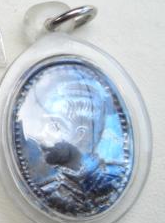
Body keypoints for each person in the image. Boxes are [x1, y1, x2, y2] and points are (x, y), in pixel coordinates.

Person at [33, 76, 127, 215]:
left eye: (54, 126)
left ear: (79, 135)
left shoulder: (118, 178)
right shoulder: (47, 193)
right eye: (43, 124)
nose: (40, 135)